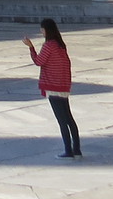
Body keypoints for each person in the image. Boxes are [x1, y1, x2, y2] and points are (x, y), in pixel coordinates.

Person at [22, 19, 80, 159]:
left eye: (42, 29)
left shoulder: (49, 45)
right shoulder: (60, 45)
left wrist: (31, 47)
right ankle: (76, 149)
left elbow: (39, 61)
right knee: (69, 118)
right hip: (63, 85)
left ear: (46, 30)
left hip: (53, 86)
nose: (41, 32)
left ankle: (68, 150)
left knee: (61, 120)